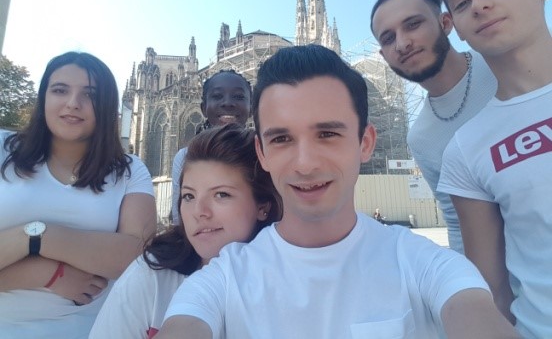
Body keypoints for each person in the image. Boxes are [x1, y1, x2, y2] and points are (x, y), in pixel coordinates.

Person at [156, 44, 519, 339]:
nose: (305, 164)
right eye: (281, 139)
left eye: (327, 134)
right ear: (261, 152)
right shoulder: (221, 281)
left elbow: (474, 315)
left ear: (365, 143)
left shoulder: (427, 265)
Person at [437, 0, 552, 338]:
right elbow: (492, 296)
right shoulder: (466, 150)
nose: (480, 4)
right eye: (462, 2)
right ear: (456, 27)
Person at [0, 52, 156, 338]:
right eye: (60, 90)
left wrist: (43, 237)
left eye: (90, 95)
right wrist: (45, 271)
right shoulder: (3, 149)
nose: (73, 103)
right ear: (43, 97)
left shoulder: (129, 170)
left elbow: (135, 255)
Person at [89, 123, 282, 338]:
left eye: (221, 195)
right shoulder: (153, 275)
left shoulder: (289, 284)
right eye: (189, 196)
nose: (199, 212)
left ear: (262, 206)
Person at [370, 0, 497, 253]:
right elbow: (459, 224)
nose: (403, 43)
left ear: (446, 23)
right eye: (388, 38)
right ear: (384, 56)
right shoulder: (420, 138)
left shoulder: (503, 63)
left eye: (413, 24)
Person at [170, 70, 252, 223]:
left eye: (238, 96)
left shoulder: (263, 154)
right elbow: (179, 217)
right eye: (217, 96)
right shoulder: (184, 157)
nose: (227, 103)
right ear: (203, 108)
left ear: (251, 108)